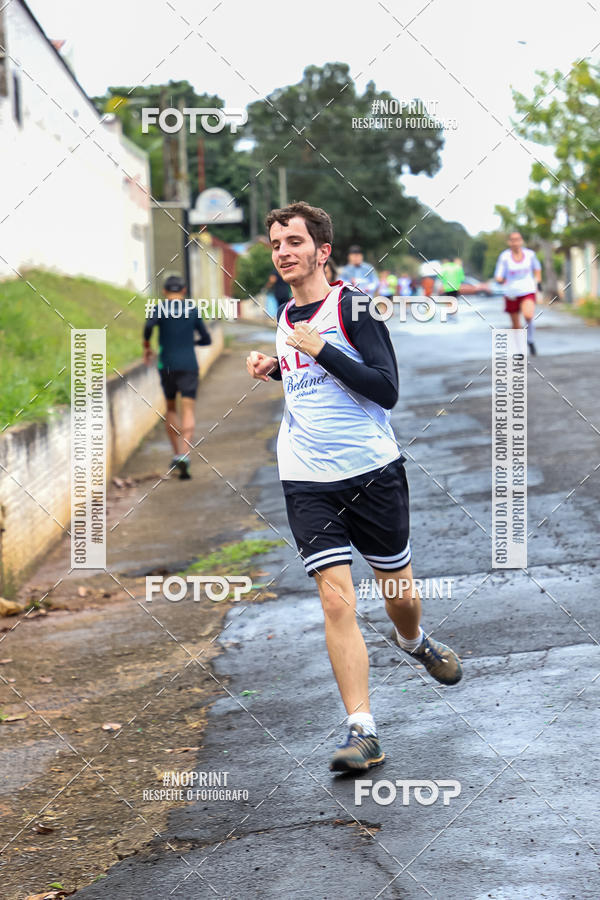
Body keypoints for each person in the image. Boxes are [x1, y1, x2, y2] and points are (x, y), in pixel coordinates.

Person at [245, 201, 462, 773]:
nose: (283, 252)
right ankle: (362, 730)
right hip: (306, 477)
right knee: (335, 600)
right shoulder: (286, 314)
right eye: (275, 244)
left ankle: (413, 642)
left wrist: (322, 349)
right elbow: (312, 390)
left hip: (371, 473)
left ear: (322, 250)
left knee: (400, 597)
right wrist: (278, 368)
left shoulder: (353, 306)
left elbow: (384, 390)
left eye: (294, 241)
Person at [143, 274, 212, 479]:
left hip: (167, 366)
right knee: (188, 408)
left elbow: (148, 327)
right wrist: (194, 344)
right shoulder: (192, 309)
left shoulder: (159, 309)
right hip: (189, 365)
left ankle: (176, 454)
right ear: (183, 291)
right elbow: (206, 338)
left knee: (171, 407)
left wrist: (147, 347)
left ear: (164, 292)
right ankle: (185, 454)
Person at [494, 232, 542, 355]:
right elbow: (499, 274)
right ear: (509, 242)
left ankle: (530, 340)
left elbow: (537, 269)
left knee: (528, 315)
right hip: (511, 292)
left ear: (521, 241)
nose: (515, 242)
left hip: (527, 290)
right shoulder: (504, 257)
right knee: (515, 323)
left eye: (518, 239)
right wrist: (500, 280)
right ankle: (519, 348)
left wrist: (538, 281)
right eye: (513, 240)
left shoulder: (530, 255)